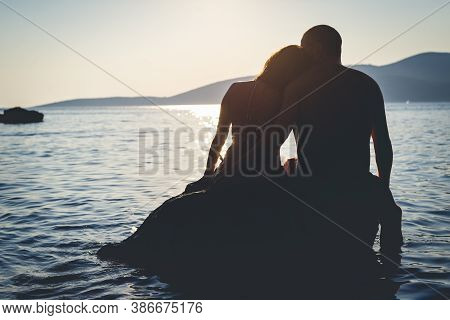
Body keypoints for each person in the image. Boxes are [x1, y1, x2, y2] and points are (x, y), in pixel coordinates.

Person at [270, 25, 403, 253]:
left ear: (317, 49)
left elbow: (275, 140)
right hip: (358, 185)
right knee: (386, 240)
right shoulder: (367, 85)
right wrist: (383, 188)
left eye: (305, 49)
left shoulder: (299, 87)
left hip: (312, 188)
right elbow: (382, 142)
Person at [185, 45, 310, 193]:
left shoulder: (235, 89)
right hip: (267, 171)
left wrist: (207, 174)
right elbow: (296, 142)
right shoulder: (287, 97)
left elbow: (220, 137)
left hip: (230, 167)